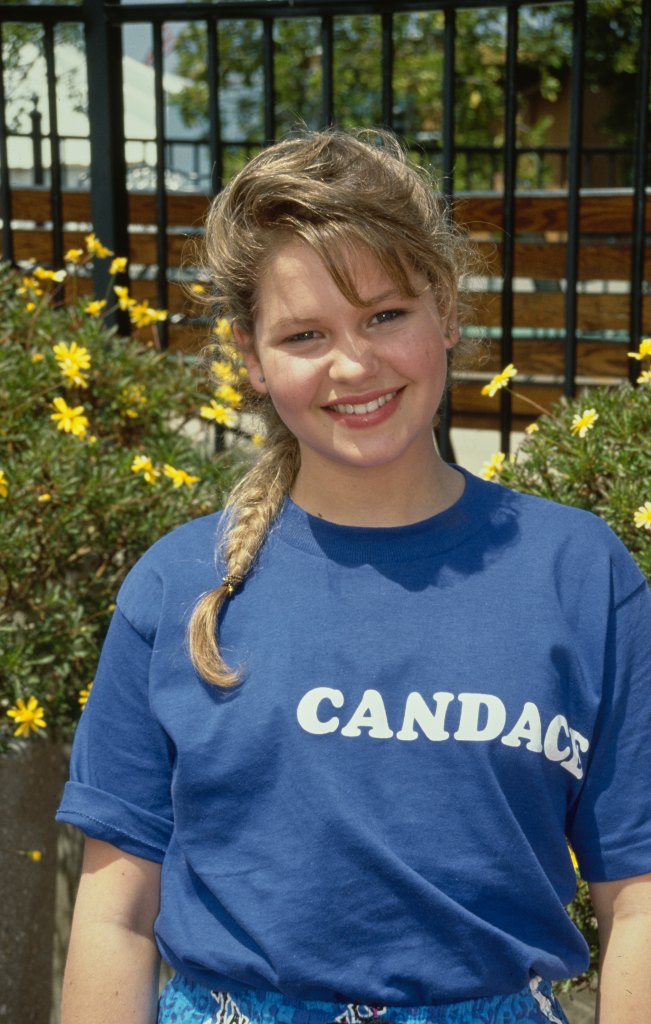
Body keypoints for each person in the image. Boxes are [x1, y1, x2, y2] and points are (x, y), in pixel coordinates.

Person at [57, 130, 651, 1024]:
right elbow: (115, 913)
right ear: (252, 358)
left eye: (384, 315)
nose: (353, 364)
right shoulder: (179, 586)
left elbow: (636, 897)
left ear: (444, 310)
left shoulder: (579, 574)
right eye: (304, 334)